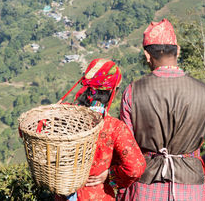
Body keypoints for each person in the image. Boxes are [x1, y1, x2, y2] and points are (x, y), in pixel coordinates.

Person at [118, 19, 205, 200]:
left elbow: (126, 152)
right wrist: (198, 164)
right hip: (191, 192)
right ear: (178, 50)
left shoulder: (133, 92)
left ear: (147, 56)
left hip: (145, 190)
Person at [56, 58, 146, 201]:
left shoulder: (65, 117)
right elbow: (136, 167)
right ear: (113, 92)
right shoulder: (114, 127)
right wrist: (110, 175)